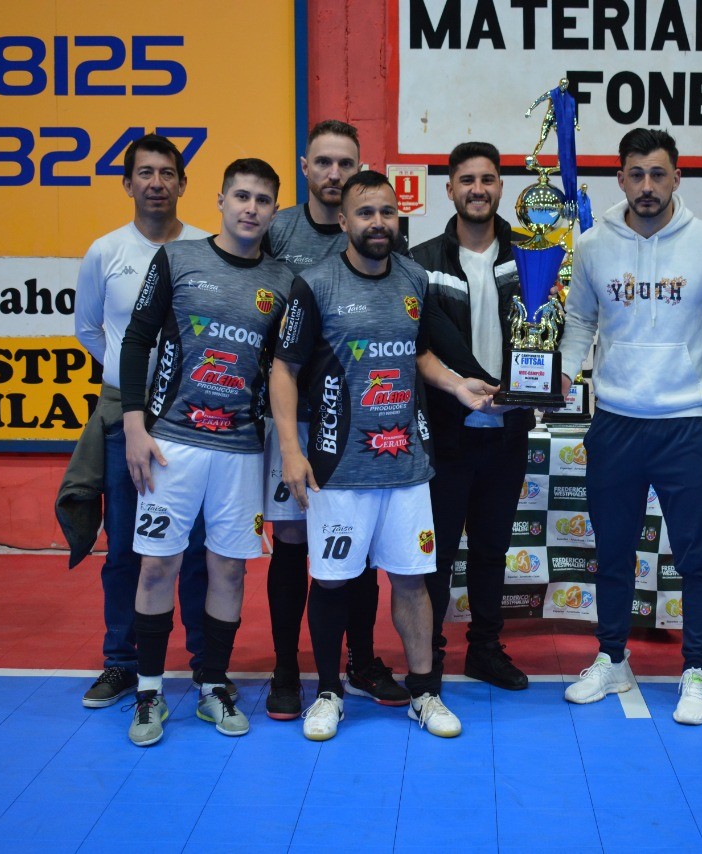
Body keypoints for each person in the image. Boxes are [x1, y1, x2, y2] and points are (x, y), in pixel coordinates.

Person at [271, 169, 495, 741]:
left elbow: (418, 354)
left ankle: (426, 693)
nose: (378, 223)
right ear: (343, 221)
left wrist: (458, 385)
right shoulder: (316, 283)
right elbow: (284, 369)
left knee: (414, 582)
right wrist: (292, 454)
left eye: (387, 213)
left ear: (399, 219)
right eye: (366, 213)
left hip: (407, 468)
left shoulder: (414, 279)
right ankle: (327, 692)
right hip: (337, 470)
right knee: (331, 582)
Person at [557, 128, 702, 726]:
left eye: (659, 174)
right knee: (612, 551)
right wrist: (562, 373)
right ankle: (612, 657)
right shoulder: (592, 244)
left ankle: (696, 672)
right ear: (620, 178)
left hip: (684, 423)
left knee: (695, 556)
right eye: (636, 174)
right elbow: (581, 320)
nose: (647, 187)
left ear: (678, 177)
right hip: (614, 421)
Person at [118, 158, 293, 746]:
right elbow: (137, 338)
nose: (250, 208)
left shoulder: (283, 283)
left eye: (263, 200)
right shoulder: (178, 258)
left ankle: (213, 684)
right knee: (158, 565)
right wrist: (135, 424)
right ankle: (147, 691)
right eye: (241, 196)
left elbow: (284, 371)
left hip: (242, 450)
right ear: (219, 199)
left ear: (273, 210)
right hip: (171, 445)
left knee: (228, 568)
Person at [261, 120, 409, 719]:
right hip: (294, 417)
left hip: (364, 418)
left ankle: (363, 659)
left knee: (364, 545)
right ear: (304, 167)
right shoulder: (277, 230)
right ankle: (285, 668)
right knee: (294, 543)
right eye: (322, 162)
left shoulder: (379, 231)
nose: (333, 174)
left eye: (344, 163)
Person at [69, 134, 218, 709]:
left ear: (183, 184)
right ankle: (122, 660)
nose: (156, 183)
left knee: (198, 549)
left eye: (167, 173)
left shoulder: (209, 246)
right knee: (128, 546)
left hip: (195, 415)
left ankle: (208, 663)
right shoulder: (105, 252)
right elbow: (89, 330)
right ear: (127, 183)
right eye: (145, 173)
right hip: (124, 415)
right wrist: (137, 390)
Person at [409, 142, 531, 691]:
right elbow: (415, 344)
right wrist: (464, 389)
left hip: (508, 428)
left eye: (487, 178)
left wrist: (529, 389)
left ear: (501, 186)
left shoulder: (535, 255)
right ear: (450, 189)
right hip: (445, 432)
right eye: (466, 180)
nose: (477, 189)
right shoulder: (421, 262)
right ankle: (429, 653)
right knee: (436, 552)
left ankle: (484, 647)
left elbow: (549, 336)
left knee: (491, 547)